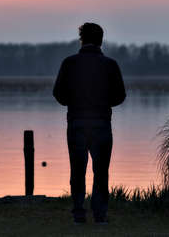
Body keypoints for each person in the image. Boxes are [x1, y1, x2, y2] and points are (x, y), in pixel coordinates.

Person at [53, 22, 126, 224]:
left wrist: (74, 102)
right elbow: (120, 96)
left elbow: (58, 94)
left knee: (77, 171)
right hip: (102, 123)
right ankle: (100, 215)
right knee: (101, 172)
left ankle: (78, 214)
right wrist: (103, 103)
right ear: (101, 41)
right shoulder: (110, 65)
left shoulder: (69, 63)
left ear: (81, 39)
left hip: (76, 122)